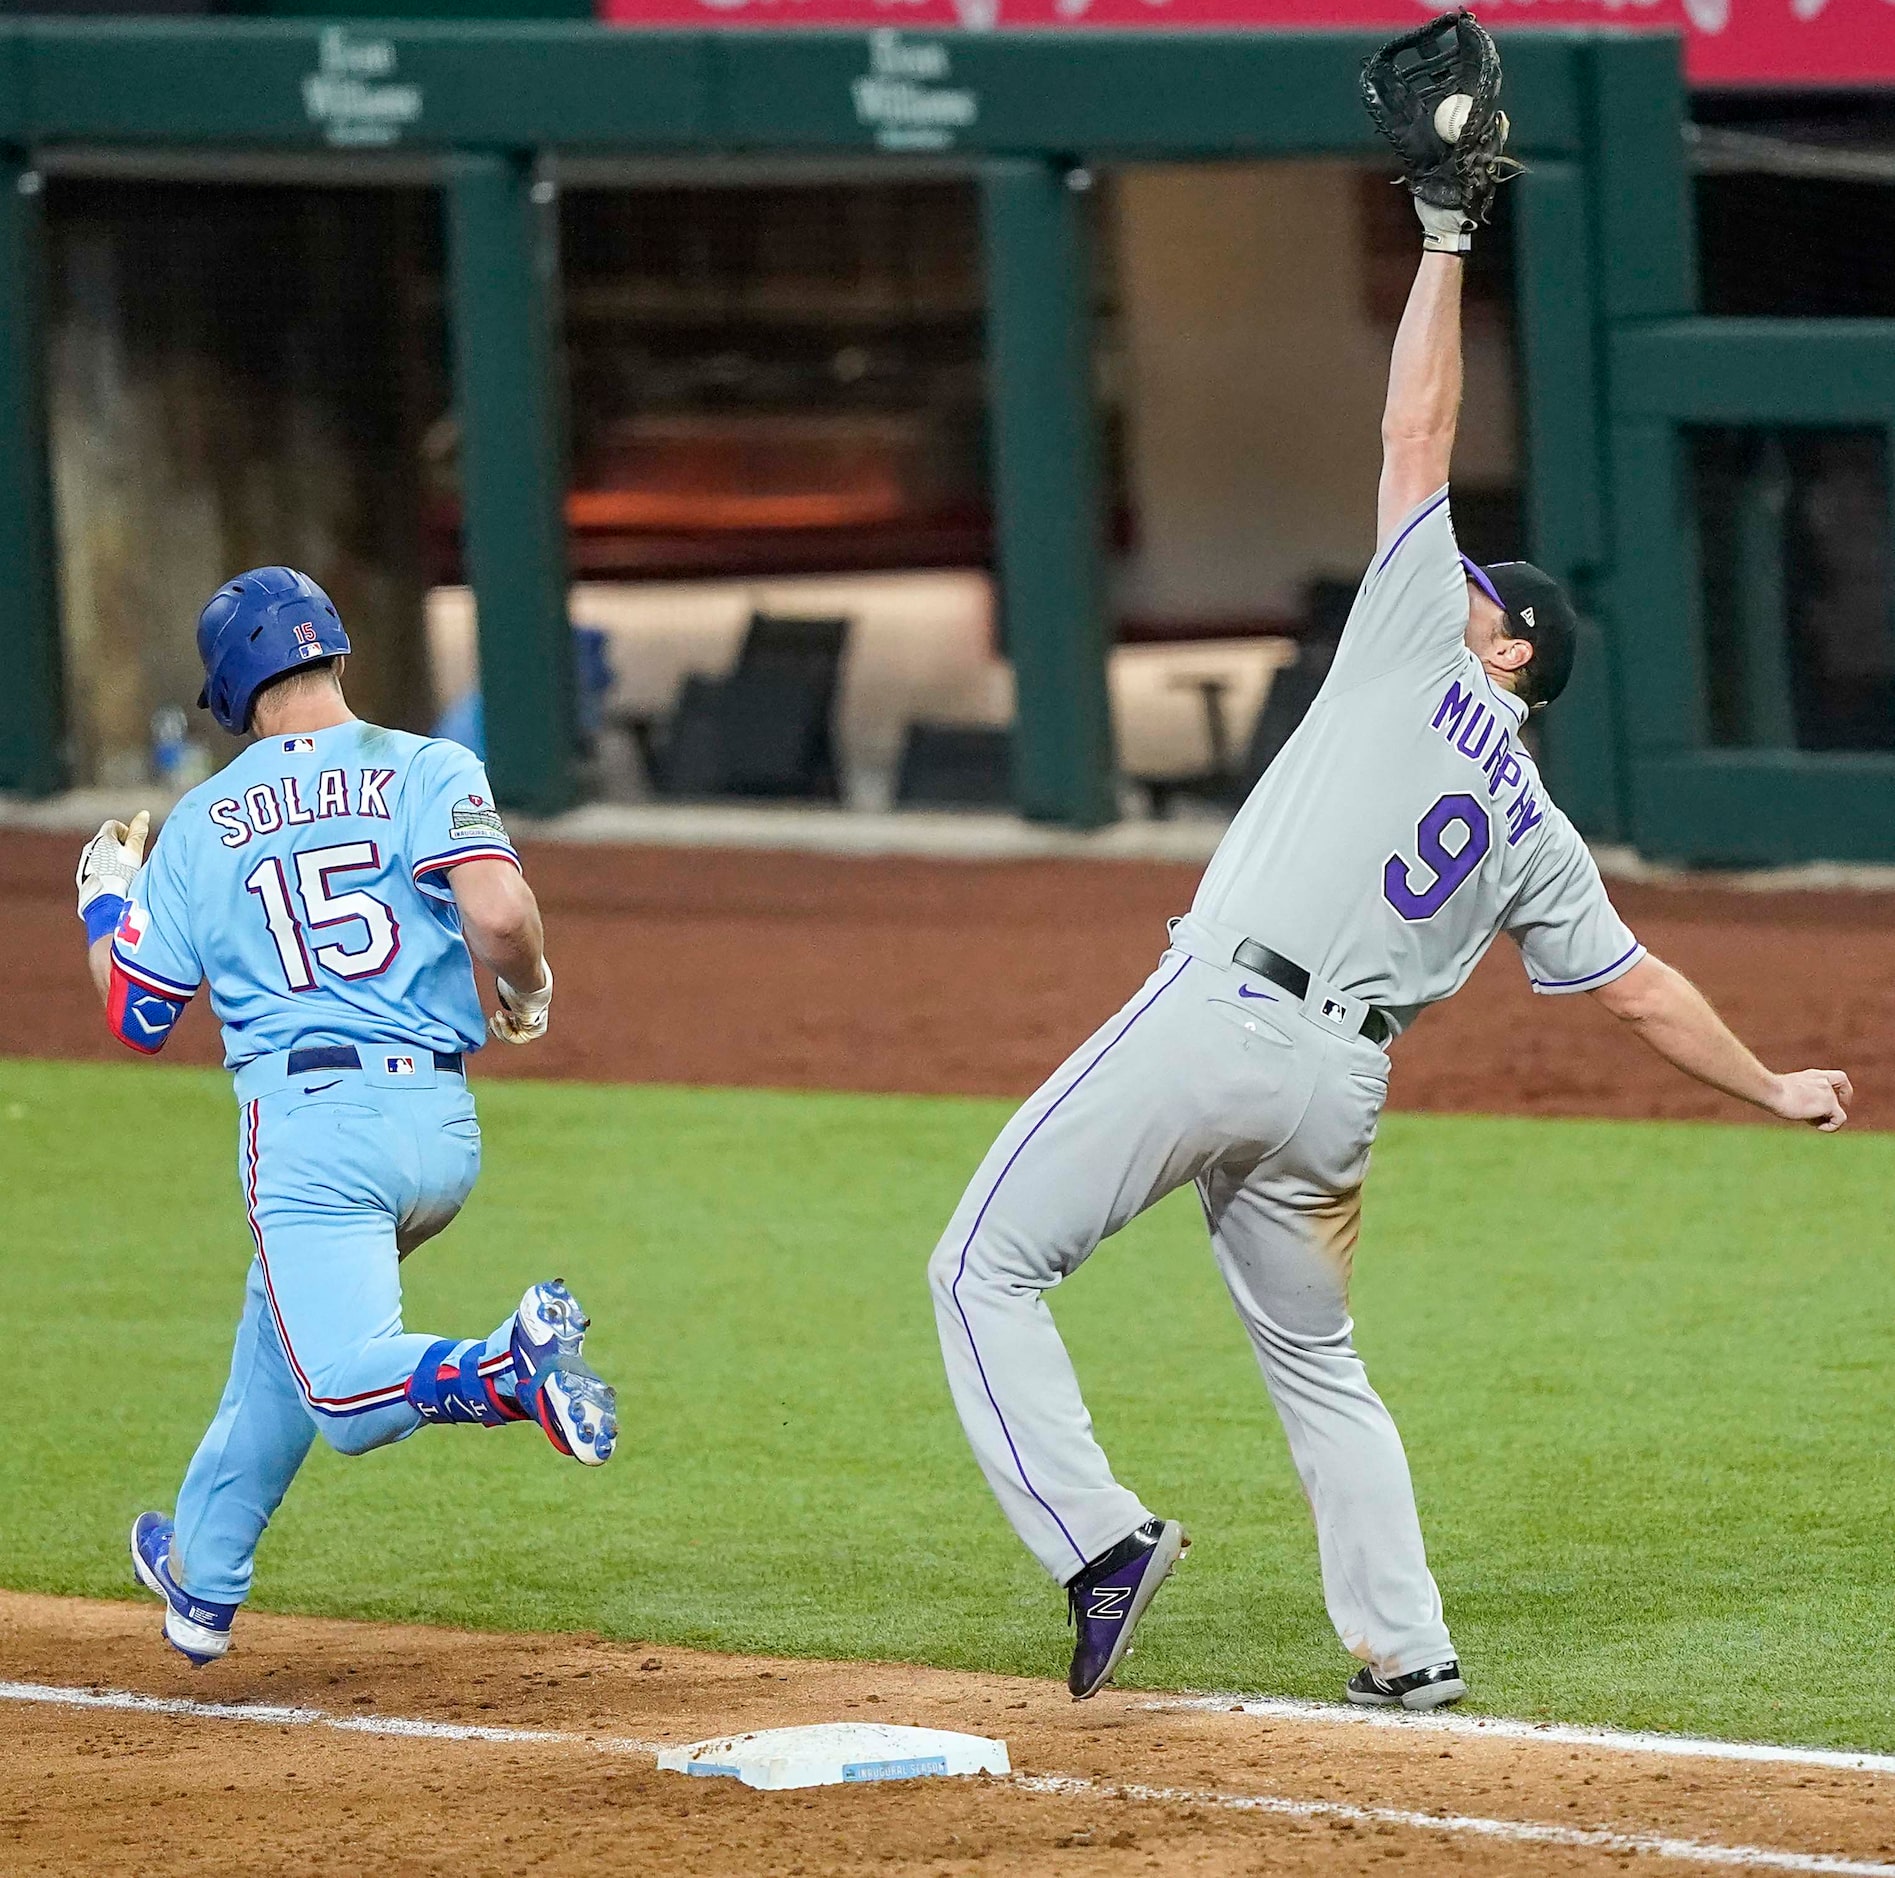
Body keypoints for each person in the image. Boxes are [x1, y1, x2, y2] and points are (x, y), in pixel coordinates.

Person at [926, 112, 1853, 1710]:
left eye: (1489, 598)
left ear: (1504, 655)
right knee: (1316, 1365)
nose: (1458, 584)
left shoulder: (1422, 644)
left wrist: (1438, 234)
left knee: (975, 1269)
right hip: (1336, 1094)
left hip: (1223, 1016)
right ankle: (1407, 1651)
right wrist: (1771, 1085)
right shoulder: (1536, 830)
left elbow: (1412, 433)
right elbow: (1635, 987)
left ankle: (1095, 1538)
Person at [76, 566, 618, 1668]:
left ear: (231, 690)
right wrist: (523, 989)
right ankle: (201, 1578)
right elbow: (503, 915)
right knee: (277, 1334)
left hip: (312, 1133)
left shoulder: (204, 820)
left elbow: (135, 1013)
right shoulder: (427, 764)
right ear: (330, 650)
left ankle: (506, 1373)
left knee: (344, 1390)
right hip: (436, 1126)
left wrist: (104, 896)